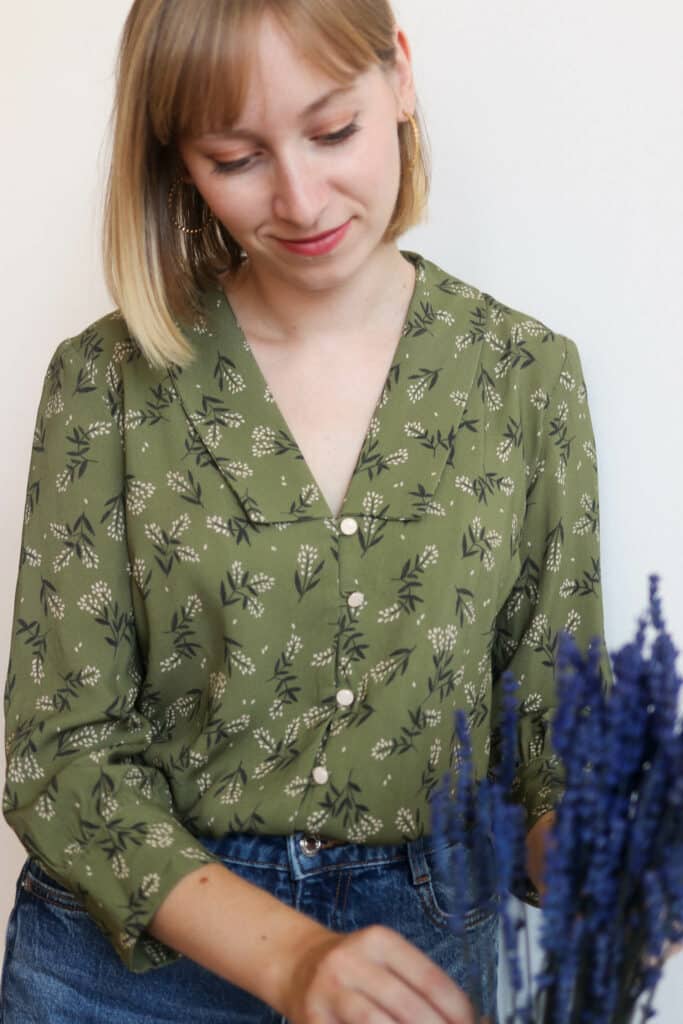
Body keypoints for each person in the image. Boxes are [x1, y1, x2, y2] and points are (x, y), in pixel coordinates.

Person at [0, 1, 611, 1022]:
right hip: (122, 974)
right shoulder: (104, 381)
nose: (299, 197)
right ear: (178, 161)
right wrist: (290, 960)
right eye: (236, 157)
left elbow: (545, 749)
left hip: (421, 956)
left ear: (398, 76)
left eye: (332, 131)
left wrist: (603, 855)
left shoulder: (524, 375)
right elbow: (56, 754)